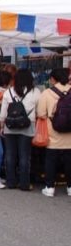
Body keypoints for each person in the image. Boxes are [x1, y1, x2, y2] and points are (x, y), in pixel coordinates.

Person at [0, 68, 41, 191]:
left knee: (10, 155)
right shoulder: (36, 92)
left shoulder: (9, 92)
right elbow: (39, 111)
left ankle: (11, 182)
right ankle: (24, 184)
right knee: (24, 156)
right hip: (27, 127)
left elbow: (3, 113)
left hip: (10, 126)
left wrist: (2, 126)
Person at [38, 68, 71, 197]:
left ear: (53, 79)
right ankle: (70, 187)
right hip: (69, 136)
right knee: (69, 162)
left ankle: (50, 187)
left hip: (53, 135)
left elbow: (41, 113)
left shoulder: (47, 93)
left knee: (51, 161)